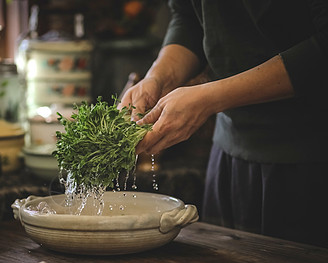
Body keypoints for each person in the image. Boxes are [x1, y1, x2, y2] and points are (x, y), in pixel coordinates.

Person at [119, 0, 328, 248]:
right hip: (228, 155)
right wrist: (158, 76)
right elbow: (189, 17)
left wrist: (210, 99)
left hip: (309, 160)